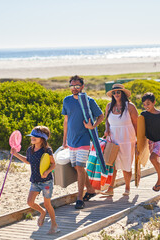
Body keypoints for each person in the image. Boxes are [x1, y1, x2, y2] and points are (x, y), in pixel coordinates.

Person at [62, 75, 104, 209]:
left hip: (84, 140)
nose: (74, 88)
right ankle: (91, 189)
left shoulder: (88, 101)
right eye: (72, 86)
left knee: (80, 168)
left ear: (82, 87)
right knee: (76, 167)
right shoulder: (67, 100)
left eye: (77, 86)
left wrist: (93, 126)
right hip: (71, 141)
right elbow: (66, 121)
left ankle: (79, 198)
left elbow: (101, 115)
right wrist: (64, 140)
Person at [10, 126, 59, 234]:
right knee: (30, 202)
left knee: (47, 204)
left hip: (46, 182)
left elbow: (53, 164)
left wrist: (47, 172)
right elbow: (28, 161)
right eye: (32, 136)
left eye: (36, 136)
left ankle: (54, 224)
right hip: (35, 181)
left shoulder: (47, 150)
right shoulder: (30, 149)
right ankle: (42, 213)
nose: (32, 138)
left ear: (42, 139)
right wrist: (15, 154)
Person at [102, 84, 138, 196]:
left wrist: (138, 142)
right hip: (113, 140)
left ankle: (127, 188)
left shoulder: (130, 106)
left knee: (127, 164)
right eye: (114, 93)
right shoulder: (109, 106)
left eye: (118, 92)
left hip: (128, 140)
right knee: (113, 164)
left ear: (122, 94)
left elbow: (137, 125)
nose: (116, 94)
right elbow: (107, 121)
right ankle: (110, 188)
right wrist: (107, 130)